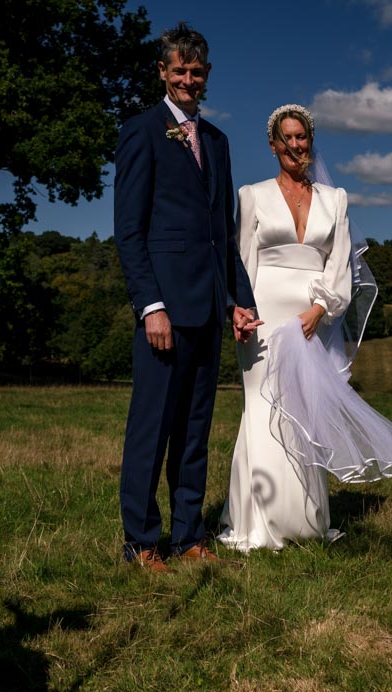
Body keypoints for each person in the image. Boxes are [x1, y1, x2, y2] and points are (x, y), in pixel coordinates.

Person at [217, 104, 392, 552]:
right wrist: (239, 310)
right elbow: (241, 260)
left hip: (313, 318)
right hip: (263, 315)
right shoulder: (252, 195)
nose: (294, 145)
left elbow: (339, 262)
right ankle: (256, 520)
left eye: (301, 137)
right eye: (286, 138)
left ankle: (306, 520)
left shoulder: (335, 199)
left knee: (304, 410)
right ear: (273, 146)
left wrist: (320, 309)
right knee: (263, 407)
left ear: (310, 142)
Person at [114, 23, 259, 573]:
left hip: (208, 310)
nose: (188, 80)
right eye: (179, 71)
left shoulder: (217, 141)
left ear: (207, 74)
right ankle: (141, 542)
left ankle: (189, 534)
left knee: (196, 430)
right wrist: (150, 306)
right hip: (164, 313)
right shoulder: (141, 132)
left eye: (197, 72)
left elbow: (222, 233)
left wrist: (237, 300)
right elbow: (129, 232)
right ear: (163, 72)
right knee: (151, 430)